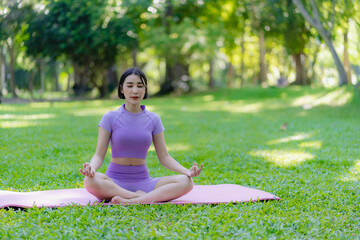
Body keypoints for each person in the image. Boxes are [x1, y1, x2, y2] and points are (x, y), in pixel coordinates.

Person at [79, 67, 203, 204]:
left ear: (145, 90)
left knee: (187, 182)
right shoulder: (110, 117)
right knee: (89, 180)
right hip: (114, 183)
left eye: (140, 86)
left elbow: (164, 157)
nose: (135, 91)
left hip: (144, 182)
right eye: (130, 85)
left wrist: (188, 172)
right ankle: (138, 197)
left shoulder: (153, 119)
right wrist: (92, 168)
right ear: (121, 89)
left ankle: (131, 201)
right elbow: (98, 155)